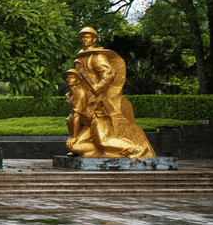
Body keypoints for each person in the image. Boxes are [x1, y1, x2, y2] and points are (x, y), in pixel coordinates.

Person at [66, 27, 155, 158]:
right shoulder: (80, 58)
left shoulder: (96, 56)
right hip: (87, 104)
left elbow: (108, 73)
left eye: (88, 37)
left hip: (98, 105)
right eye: (82, 37)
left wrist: (99, 87)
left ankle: (137, 148)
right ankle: (99, 152)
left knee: (103, 141)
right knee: (74, 146)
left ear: (94, 39)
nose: (85, 39)